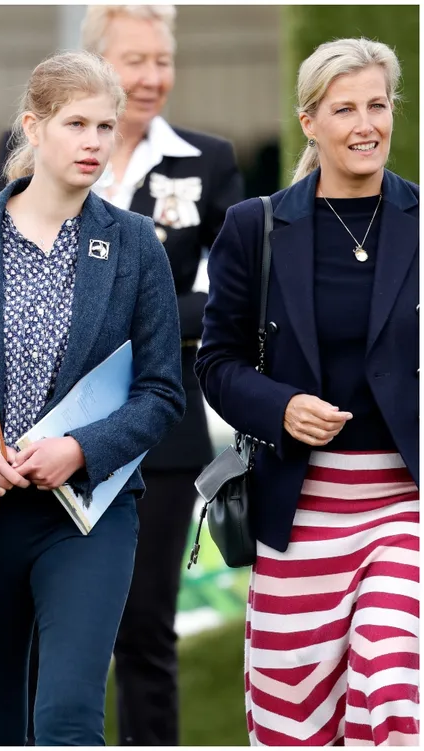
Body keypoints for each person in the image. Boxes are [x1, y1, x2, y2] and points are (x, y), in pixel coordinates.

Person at [0, 7, 244, 745]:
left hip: (115, 481)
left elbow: (185, 355)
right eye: (77, 125)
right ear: (34, 127)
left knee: (97, 685)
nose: (95, 142)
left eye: (104, 128)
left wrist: (82, 445)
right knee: (8, 704)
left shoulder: (141, 229)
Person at [196, 37, 418, 746]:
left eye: (377, 106)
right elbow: (218, 360)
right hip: (297, 512)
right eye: (344, 108)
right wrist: (280, 406)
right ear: (309, 121)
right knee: (294, 718)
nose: (365, 124)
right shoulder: (254, 227)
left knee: (392, 677)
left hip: (403, 506)